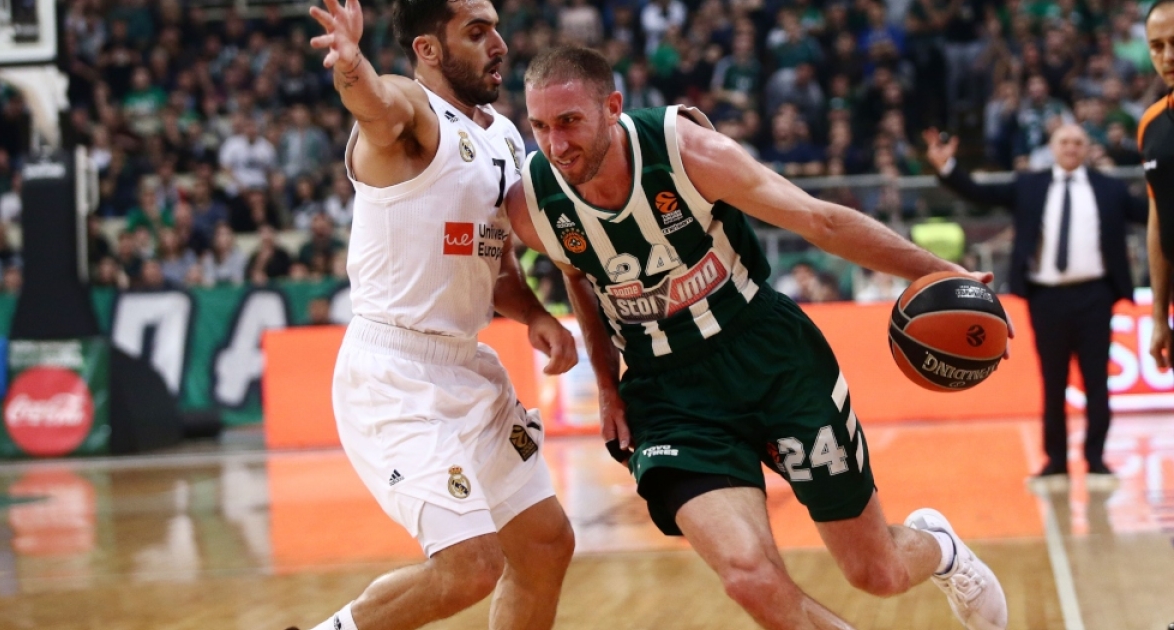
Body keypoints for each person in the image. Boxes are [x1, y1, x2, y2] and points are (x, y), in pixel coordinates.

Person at [506, 45, 1008, 630]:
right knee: (749, 578)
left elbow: (820, 220)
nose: (556, 144)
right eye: (540, 126)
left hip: (768, 355)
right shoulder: (532, 205)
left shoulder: (688, 152)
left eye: (570, 121)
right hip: (668, 396)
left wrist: (939, 271)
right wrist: (606, 383)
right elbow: (577, 275)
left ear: (612, 107)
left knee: (877, 572)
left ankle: (940, 548)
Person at [289, 1, 578, 630]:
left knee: (546, 544)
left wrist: (535, 314)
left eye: (495, 28)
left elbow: (495, 259)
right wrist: (351, 65)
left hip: (465, 364)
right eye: (476, 32)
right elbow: (376, 104)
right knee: (469, 567)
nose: (498, 44)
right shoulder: (411, 112)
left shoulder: (504, 136)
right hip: (395, 375)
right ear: (428, 49)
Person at [925, 124, 1146, 488]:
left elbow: (1149, 213)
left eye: (1078, 142)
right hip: (1046, 296)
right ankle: (1055, 460)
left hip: (1096, 295)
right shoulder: (1030, 184)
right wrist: (947, 168)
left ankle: (1096, 459)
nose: (1071, 147)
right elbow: (981, 194)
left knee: (1096, 379)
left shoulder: (1110, 188)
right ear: (1052, 147)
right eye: (1065, 141)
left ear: (1087, 148)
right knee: (1053, 379)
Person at [1142, 1, 1174, 376]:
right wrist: (1159, 316)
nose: (1168, 57)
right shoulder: (1150, 125)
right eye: (1157, 46)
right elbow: (1158, 220)